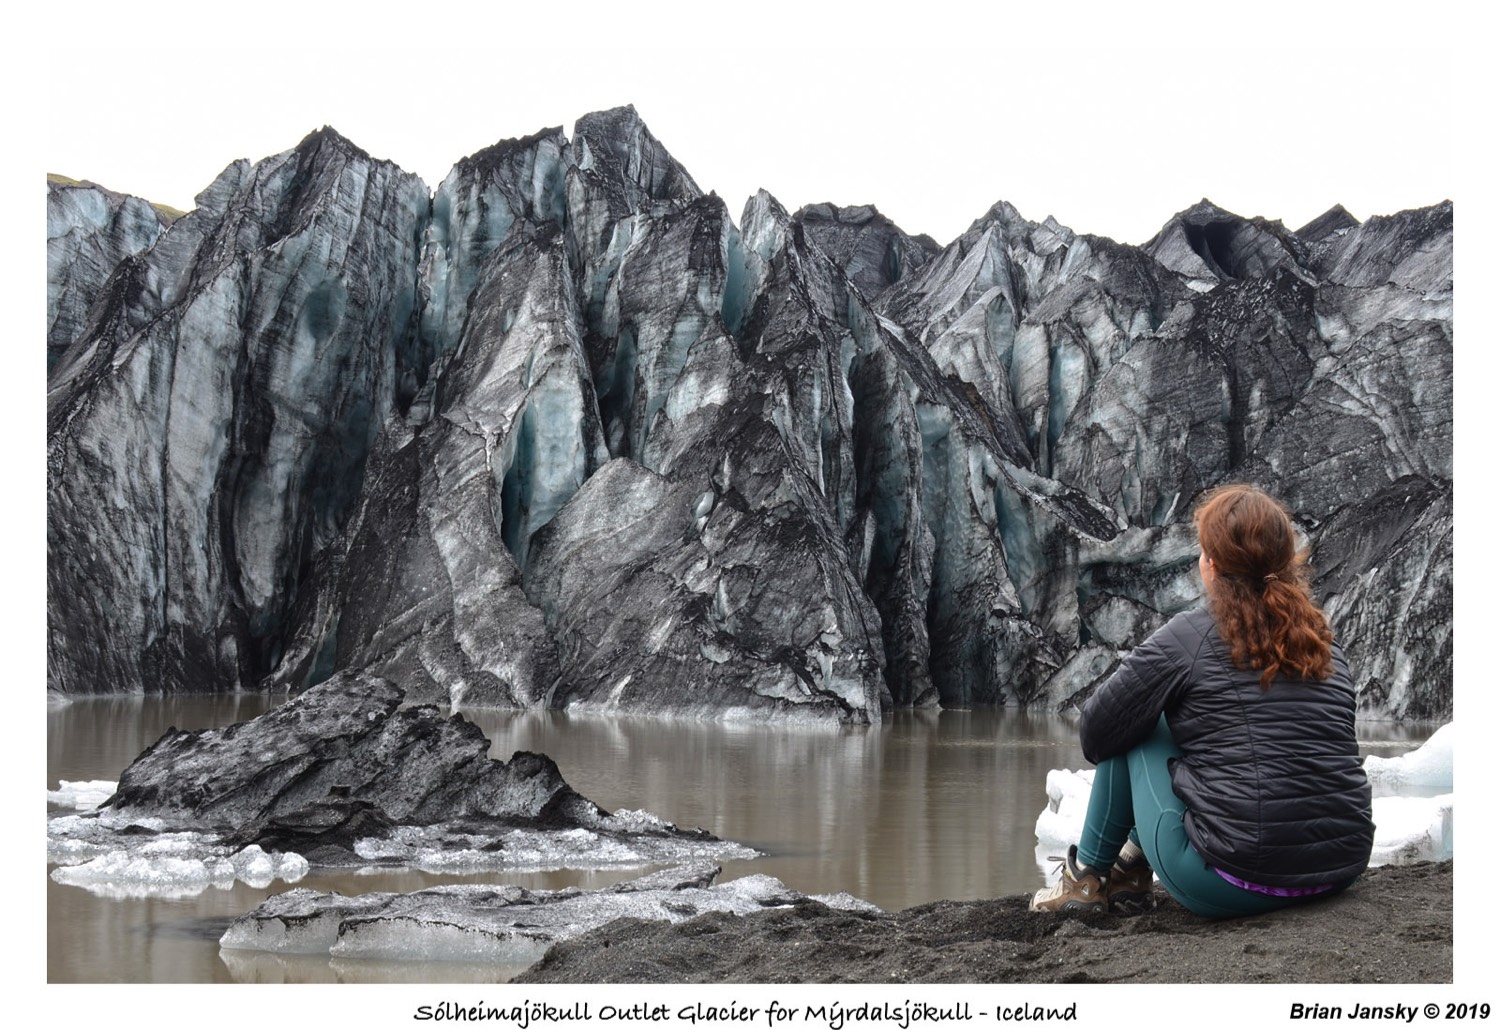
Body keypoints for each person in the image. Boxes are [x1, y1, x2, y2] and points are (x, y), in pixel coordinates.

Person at [1031, 483, 1375, 918]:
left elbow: (1098, 732)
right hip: (1337, 870)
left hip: (1234, 882)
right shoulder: (1325, 642)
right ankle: (1125, 870)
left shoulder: (1191, 635)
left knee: (1133, 721)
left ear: (1211, 565)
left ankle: (1088, 880)